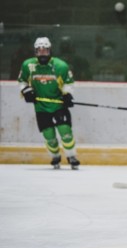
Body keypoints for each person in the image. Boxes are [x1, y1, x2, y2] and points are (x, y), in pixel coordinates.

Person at [18, 37, 80, 170]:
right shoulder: (28, 65)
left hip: (59, 105)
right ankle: (55, 156)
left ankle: (71, 156)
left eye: (45, 50)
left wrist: (67, 95)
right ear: (35, 52)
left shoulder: (60, 66)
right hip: (41, 107)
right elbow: (22, 81)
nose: (42, 53)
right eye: (39, 51)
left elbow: (68, 83)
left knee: (65, 131)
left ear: (50, 50)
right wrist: (26, 91)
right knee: (49, 135)